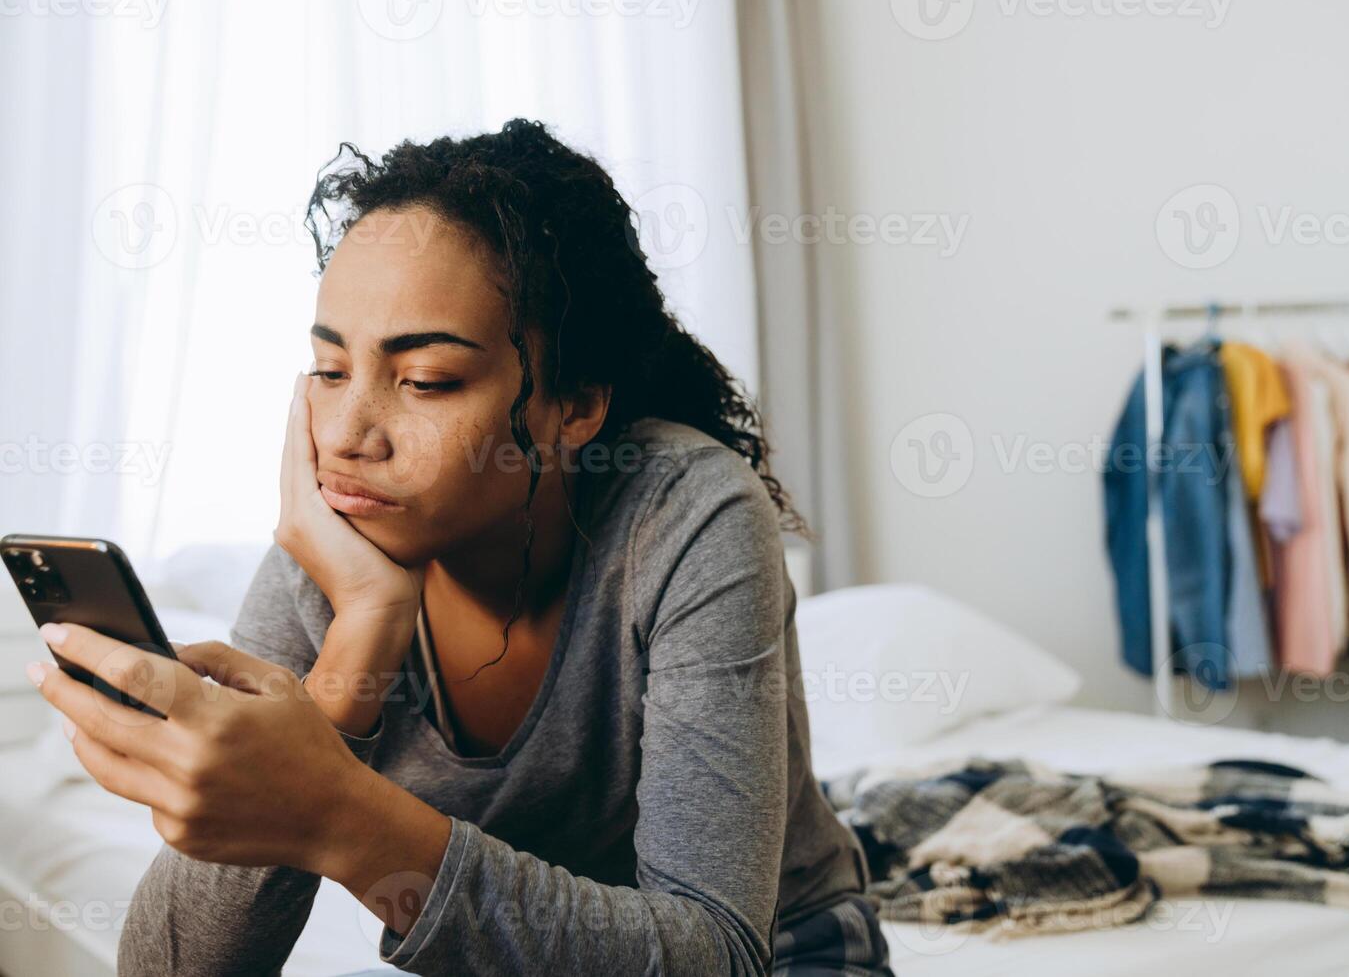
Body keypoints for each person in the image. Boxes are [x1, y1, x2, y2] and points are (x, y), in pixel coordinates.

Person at [28, 119, 894, 976]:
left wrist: (340, 812)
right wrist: (354, 647)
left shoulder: (686, 515)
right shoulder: (327, 559)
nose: (350, 435)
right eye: (330, 372)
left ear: (578, 406)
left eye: (426, 381)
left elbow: (714, 956)